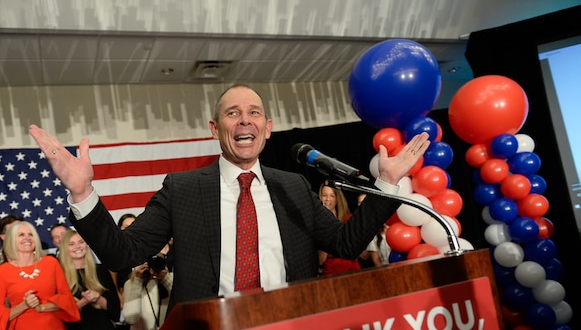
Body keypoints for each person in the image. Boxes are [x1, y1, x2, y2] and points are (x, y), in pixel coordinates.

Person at [28, 83, 429, 310]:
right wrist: (82, 191)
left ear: (268, 128)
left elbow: (346, 242)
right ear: (214, 127)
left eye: (254, 113)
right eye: (233, 113)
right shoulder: (182, 189)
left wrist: (386, 186)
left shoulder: (291, 186)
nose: (244, 120)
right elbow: (122, 253)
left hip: (291, 328)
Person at [317, 181, 362, 276]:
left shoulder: (348, 219)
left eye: (332, 196)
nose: (327, 199)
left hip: (351, 270)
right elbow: (321, 260)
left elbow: (355, 249)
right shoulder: (316, 223)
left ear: (337, 199)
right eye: (324, 195)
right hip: (330, 272)